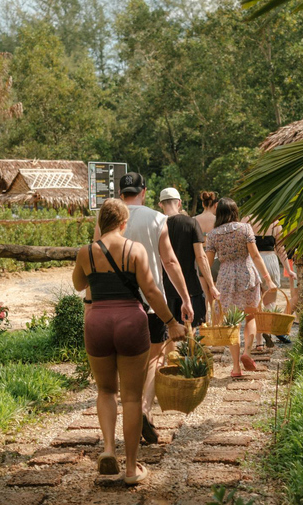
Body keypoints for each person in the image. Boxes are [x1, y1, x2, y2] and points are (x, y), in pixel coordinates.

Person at [72, 199, 185, 485]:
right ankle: (132, 469)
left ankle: (109, 449)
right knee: (132, 397)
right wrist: (171, 323)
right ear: (124, 223)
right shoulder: (135, 250)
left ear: (101, 223)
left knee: (106, 390)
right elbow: (151, 291)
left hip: (97, 322)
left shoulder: (85, 252)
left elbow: (78, 285)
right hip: (130, 322)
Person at [118, 172, 193, 444]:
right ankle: (145, 411)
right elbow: (170, 262)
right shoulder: (156, 218)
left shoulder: (108, 217)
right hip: (150, 302)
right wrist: (185, 298)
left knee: (126, 362)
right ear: (144, 191)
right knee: (154, 358)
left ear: (120, 193)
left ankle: (129, 413)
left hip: (115, 301)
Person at [204, 198, 277, 377]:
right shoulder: (245, 228)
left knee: (232, 323)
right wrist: (268, 279)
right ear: (235, 212)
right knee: (251, 317)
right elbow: (255, 255)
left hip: (226, 278)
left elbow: (207, 262)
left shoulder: (213, 234)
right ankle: (248, 353)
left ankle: (236, 367)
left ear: (218, 214)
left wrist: (211, 285)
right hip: (247, 275)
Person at [158, 187, 220, 332]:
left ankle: (171, 355)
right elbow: (201, 256)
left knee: (169, 331)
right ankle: (189, 354)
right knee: (190, 330)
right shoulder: (190, 223)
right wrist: (211, 285)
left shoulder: (157, 224)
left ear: (160, 204)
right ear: (179, 203)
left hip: (165, 286)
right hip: (190, 285)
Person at [246, 216, 296, 347]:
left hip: (253, 262)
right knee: (270, 303)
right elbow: (281, 249)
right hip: (270, 262)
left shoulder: (247, 220)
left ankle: (259, 343)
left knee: (255, 304)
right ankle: (267, 329)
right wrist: (288, 269)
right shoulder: (275, 224)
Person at [195, 191, 220, 311]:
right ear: (216, 205)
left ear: (203, 204)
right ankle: (215, 327)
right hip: (215, 257)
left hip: (199, 257)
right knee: (215, 298)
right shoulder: (218, 220)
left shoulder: (194, 220)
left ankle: (204, 326)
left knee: (203, 296)